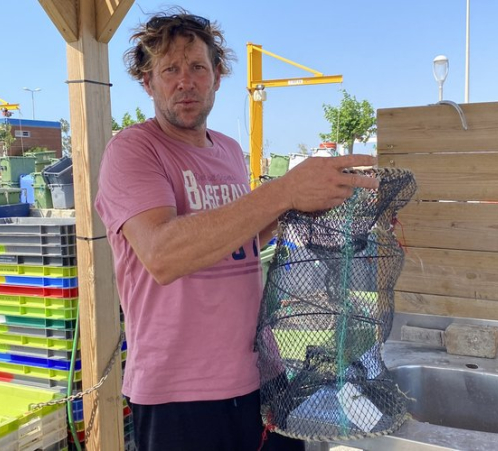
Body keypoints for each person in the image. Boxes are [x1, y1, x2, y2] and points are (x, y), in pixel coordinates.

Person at [94, 8, 378, 451]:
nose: (185, 81)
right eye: (169, 69)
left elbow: (244, 237)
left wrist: (313, 205)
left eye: (197, 67)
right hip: (179, 390)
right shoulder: (132, 150)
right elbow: (163, 254)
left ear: (217, 77)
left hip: (261, 372)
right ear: (148, 83)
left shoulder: (228, 149)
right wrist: (284, 191)